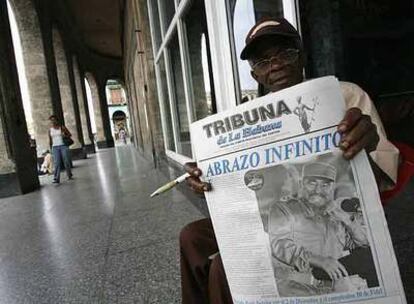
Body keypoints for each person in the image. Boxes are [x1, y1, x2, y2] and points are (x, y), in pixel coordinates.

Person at [179, 17, 399, 304]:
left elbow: (384, 178)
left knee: (224, 267)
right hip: (265, 218)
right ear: (255, 75)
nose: (276, 65)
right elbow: (235, 182)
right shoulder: (245, 120)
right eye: (263, 61)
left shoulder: (344, 95)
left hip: (314, 226)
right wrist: (204, 176)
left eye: (285, 53)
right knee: (191, 237)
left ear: (302, 56)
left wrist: (366, 145)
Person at [268, 162, 370, 296]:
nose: (318, 190)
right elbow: (279, 245)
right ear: (301, 184)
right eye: (312, 183)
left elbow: (362, 243)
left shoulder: (335, 216)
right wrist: (319, 260)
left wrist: (347, 220)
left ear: (332, 188)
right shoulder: (285, 209)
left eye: (325, 185)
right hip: (297, 291)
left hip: (335, 291)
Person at [49, 115, 73, 184]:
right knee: (57, 163)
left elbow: (69, 135)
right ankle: (56, 178)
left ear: (57, 120)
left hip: (63, 146)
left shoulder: (62, 127)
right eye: (51, 120)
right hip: (55, 147)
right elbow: (50, 141)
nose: (53, 121)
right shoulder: (50, 130)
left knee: (66, 161)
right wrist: (51, 149)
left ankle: (69, 175)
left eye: (54, 120)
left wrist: (64, 135)